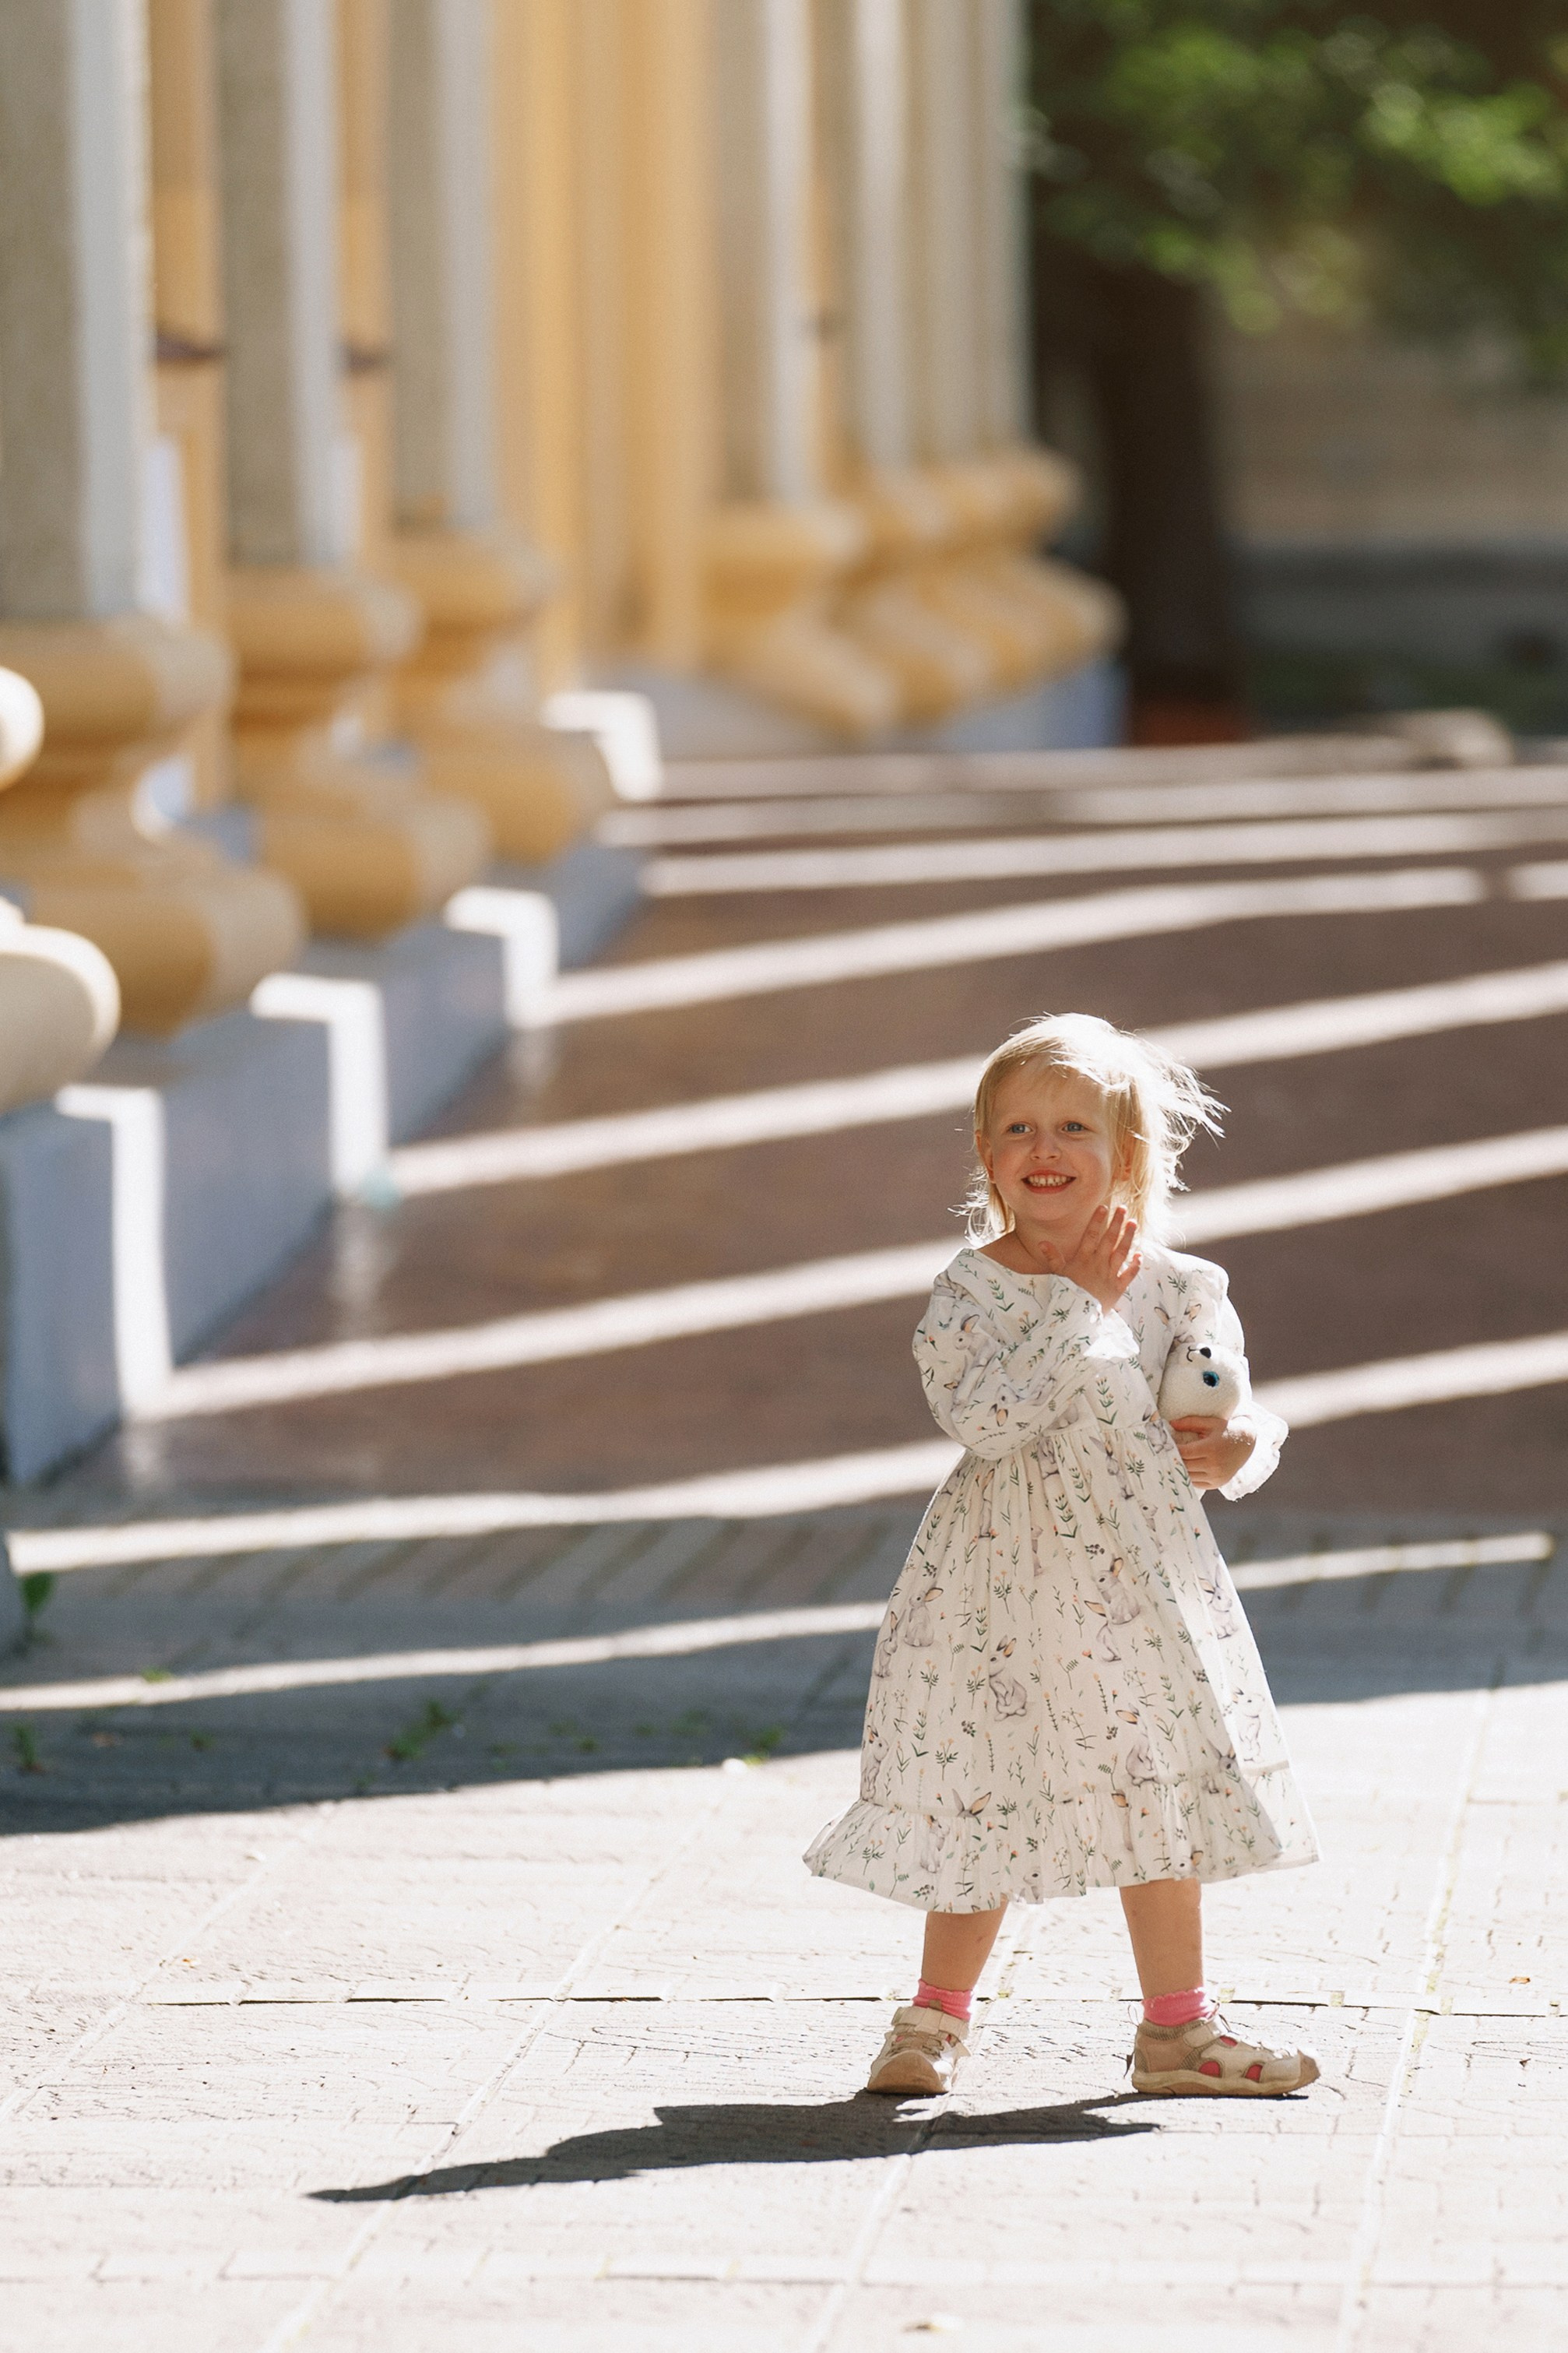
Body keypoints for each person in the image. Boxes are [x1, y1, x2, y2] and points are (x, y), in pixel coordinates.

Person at [804, 1011, 1321, 2098]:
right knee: (986, 1778)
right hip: (995, 1584)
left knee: (1153, 1785)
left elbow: (1230, 1408)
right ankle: (931, 2017)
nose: (1043, 1149)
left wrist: (1237, 1446)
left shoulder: (1183, 1286)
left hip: (1138, 1585)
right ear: (984, 1154)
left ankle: (1175, 2031)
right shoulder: (970, 1290)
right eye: (1016, 1127)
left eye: (1074, 1126)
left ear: (1127, 1155)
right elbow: (985, 1420)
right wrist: (1076, 1303)